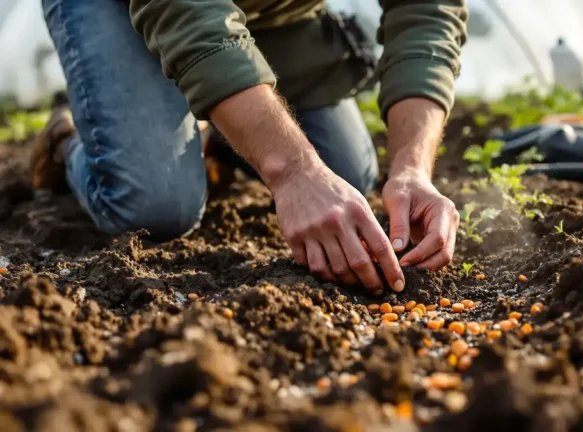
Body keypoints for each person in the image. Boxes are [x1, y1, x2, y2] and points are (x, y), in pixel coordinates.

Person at [31, 0, 468, 293]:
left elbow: (427, 13)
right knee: (154, 207)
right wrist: (293, 170)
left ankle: (220, 128)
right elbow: (186, 13)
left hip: (273, 14)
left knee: (349, 176)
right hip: (131, 6)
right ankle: (67, 141)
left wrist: (412, 168)